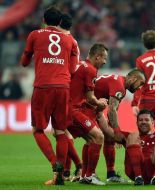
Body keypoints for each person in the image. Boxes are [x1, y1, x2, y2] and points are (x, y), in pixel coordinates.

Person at [20, 6, 79, 185]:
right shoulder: (69, 39)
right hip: (63, 87)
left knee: (38, 130)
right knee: (61, 132)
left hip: (43, 87)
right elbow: (72, 69)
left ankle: (55, 165)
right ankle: (59, 175)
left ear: (44, 20)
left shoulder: (34, 35)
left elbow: (24, 62)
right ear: (60, 22)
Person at [94, 69, 145, 182]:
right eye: (140, 83)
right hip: (81, 105)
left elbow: (112, 111)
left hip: (91, 106)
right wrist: (117, 131)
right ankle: (85, 174)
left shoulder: (119, 82)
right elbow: (112, 110)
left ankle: (110, 174)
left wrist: (115, 130)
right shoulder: (119, 86)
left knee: (108, 137)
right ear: (133, 79)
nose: (139, 88)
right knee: (94, 137)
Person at [67, 43, 108, 185]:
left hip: (67, 108)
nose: (105, 62)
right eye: (104, 58)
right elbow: (91, 97)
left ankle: (84, 175)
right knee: (99, 136)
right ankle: (90, 176)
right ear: (97, 56)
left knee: (91, 140)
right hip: (73, 110)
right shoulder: (90, 69)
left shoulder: (78, 64)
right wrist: (100, 103)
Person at [98, 109, 155, 185]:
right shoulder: (129, 136)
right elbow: (106, 129)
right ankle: (138, 177)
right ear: (136, 123)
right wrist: (99, 112)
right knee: (134, 135)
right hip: (133, 171)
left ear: (152, 122)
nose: (143, 122)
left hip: (154, 167)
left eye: (146, 120)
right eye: (140, 120)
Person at [57, 12, 82, 182]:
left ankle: (78, 165)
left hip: (64, 86)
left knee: (60, 130)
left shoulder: (62, 41)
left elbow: (71, 69)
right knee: (62, 130)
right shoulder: (72, 41)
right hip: (68, 86)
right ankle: (67, 169)